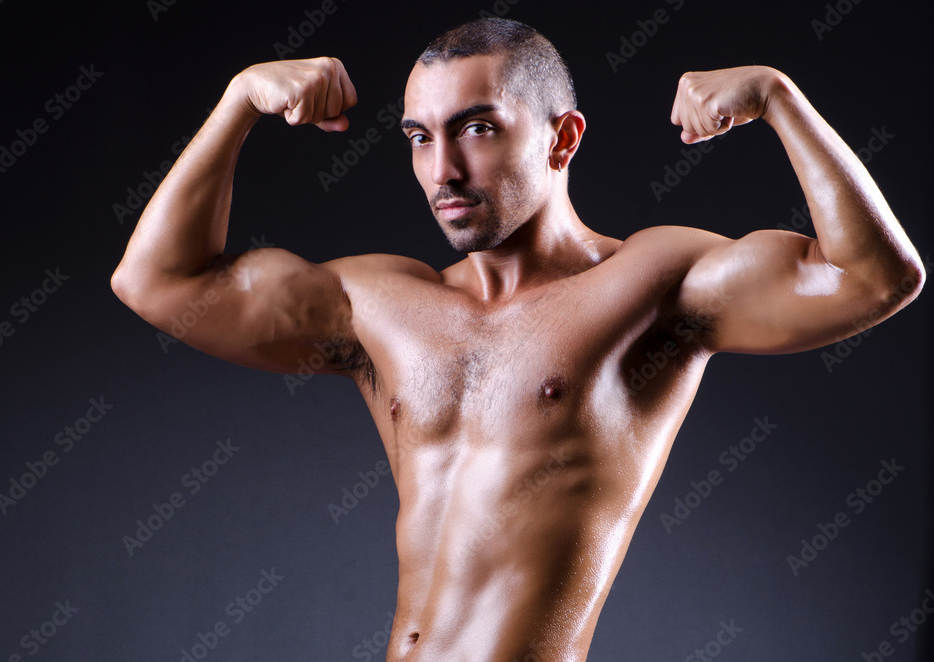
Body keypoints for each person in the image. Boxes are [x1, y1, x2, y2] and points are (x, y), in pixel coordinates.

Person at [110, 17, 924, 662]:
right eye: (420, 137)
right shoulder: (383, 300)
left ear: (561, 140)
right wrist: (239, 101)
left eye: (475, 129)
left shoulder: (653, 280)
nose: (442, 171)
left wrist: (781, 99)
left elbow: (874, 279)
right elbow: (157, 284)